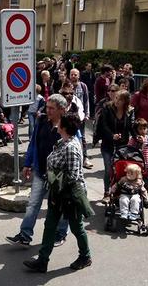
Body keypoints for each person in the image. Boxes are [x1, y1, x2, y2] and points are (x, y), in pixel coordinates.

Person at [23, 113, 92, 273]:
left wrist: (55, 179)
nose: (56, 124)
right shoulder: (63, 142)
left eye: (60, 123)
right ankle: (42, 261)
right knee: (50, 225)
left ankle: (85, 256)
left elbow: (73, 176)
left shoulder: (71, 147)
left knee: (77, 227)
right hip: (58, 193)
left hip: (69, 195)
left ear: (65, 128)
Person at [6, 95, 69, 247]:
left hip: (59, 176)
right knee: (33, 204)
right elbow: (33, 143)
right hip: (40, 171)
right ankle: (25, 234)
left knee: (61, 206)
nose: (47, 111)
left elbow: (75, 148)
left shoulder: (69, 125)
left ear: (61, 110)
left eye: (51, 108)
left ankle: (60, 233)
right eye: (47, 107)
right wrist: (28, 163)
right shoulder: (41, 121)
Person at [97, 90, 134, 203]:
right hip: (107, 144)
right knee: (109, 169)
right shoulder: (107, 108)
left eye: (120, 99)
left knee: (119, 169)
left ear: (125, 101)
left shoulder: (129, 111)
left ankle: (118, 191)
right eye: (116, 97)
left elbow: (131, 127)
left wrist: (138, 136)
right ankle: (107, 193)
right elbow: (103, 125)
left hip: (122, 145)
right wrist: (111, 135)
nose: (117, 100)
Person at [128, 118, 148, 192]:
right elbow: (129, 151)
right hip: (137, 166)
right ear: (136, 130)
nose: (143, 131)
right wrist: (140, 143)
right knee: (136, 182)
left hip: (147, 166)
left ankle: (145, 194)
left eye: (144, 128)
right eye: (140, 129)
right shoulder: (133, 140)